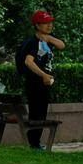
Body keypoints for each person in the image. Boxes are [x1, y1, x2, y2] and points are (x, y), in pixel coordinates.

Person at [16, 10, 66, 150]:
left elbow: (62, 45)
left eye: (50, 22)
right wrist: (43, 75)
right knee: (36, 113)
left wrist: (49, 39)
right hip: (35, 83)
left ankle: (36, 143)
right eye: (45, 23)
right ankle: (34, 143)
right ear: (37, 25)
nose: (49, 25)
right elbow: (28, 62)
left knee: (42, 113)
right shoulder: (33, 43)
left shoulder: (47, 40)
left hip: (44, 84)